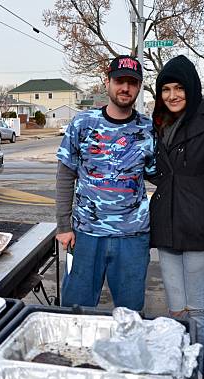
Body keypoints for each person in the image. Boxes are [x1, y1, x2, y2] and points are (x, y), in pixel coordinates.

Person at [55, 55, 155, 311]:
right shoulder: (82, 124)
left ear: (139, 86)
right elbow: (65, 176)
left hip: (132, 236)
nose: (125, 88)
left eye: (132, 83)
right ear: (107, 82)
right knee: (75, 310)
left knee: (130, 314)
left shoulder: (148, 129)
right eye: (119, 81)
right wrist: (64, 226)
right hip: (86, 234)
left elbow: (161, 176)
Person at [149, 55, 204, 347]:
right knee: (176, 307)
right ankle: (180, 361)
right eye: (166, 89)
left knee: (198, 307)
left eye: (179, 88)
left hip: (200, 230)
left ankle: (201, 369)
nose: (172, 95)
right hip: (168, 227)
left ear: (192, 88)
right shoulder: (161, 122)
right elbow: (164, 173)